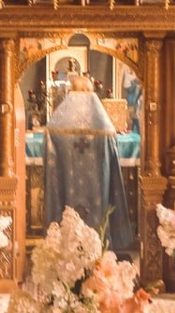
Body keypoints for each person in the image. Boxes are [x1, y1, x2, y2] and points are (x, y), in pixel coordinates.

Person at [43, 72, 134, 250]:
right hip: (97, 184)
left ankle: (65, 246)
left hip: (68, 184)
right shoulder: (103, 124)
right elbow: (112, 156)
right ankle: (99, 247)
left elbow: (49, 146)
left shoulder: (58, 125)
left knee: (69, 214)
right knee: (98, 214)